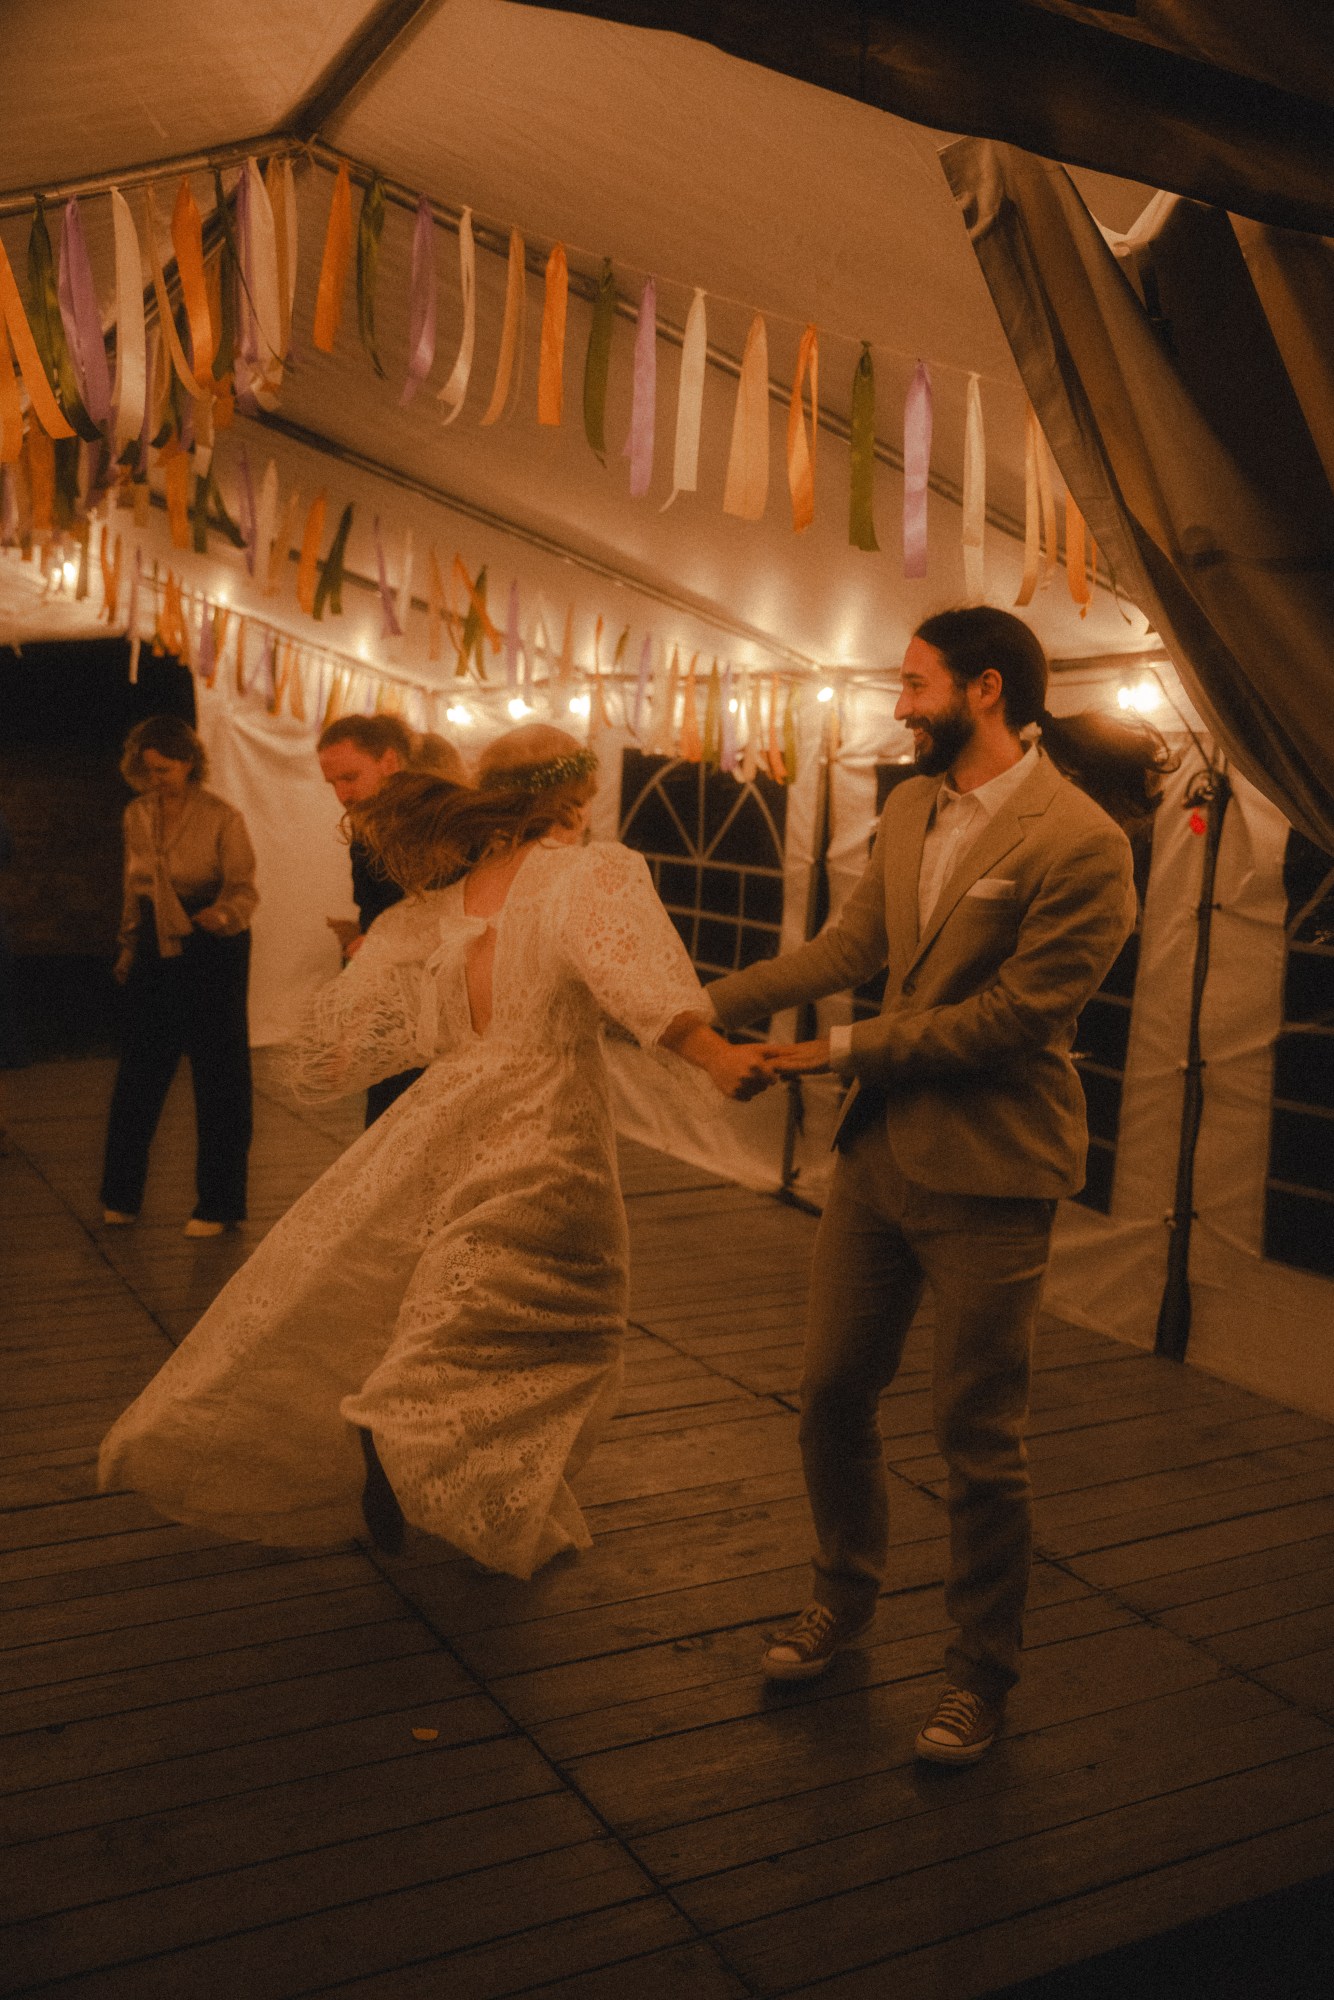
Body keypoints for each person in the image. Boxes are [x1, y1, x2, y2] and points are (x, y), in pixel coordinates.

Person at [99, 724, 775, 1576]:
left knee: (455, 1296)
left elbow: (337, 1043)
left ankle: (443, 1450)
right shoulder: (589, 873)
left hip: (449, 1113)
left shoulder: (440, 903)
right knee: (569, 1323)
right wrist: (717, 1057)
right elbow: (636, 982)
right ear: (571, 799)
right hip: (546, 1122)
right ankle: (401, 1425)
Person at [708, 607, 1172, 1765]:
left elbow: (1011, 1020)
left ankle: (978, 1674)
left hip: (992, 1167)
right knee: (829, 1393)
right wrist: (695, 1002)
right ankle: (840, 1595)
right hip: (879, 1158)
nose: (898, 705)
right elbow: (848, 947)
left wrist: (824, 1051)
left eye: (914, 683)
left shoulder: (1081, 842)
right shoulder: (912, 805)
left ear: (984, 687)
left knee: (976, 1433)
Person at [100, 716, 258, 1238]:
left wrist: (223, 915)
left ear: (189, 763)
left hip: (211, 942)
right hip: (156, 938)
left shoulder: (221, 816)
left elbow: (243, 887)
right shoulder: (136, 813)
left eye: (164, 769)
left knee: (219, 1075)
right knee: (140, 1070)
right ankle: (120, 1196)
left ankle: (218, 1204)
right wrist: (128, 944)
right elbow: (134, 886)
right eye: (147, 770)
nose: (156, 779)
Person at [316, 714, 467, 1123]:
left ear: (389, 761)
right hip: (393, 1003)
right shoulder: (364, 831)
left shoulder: (442, 821)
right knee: (386, 1121)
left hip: (447, 1002)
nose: (343, 794)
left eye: (350, 777)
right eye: (333, 783)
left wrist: (388, 941)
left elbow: (461, 910)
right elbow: (374, 914)